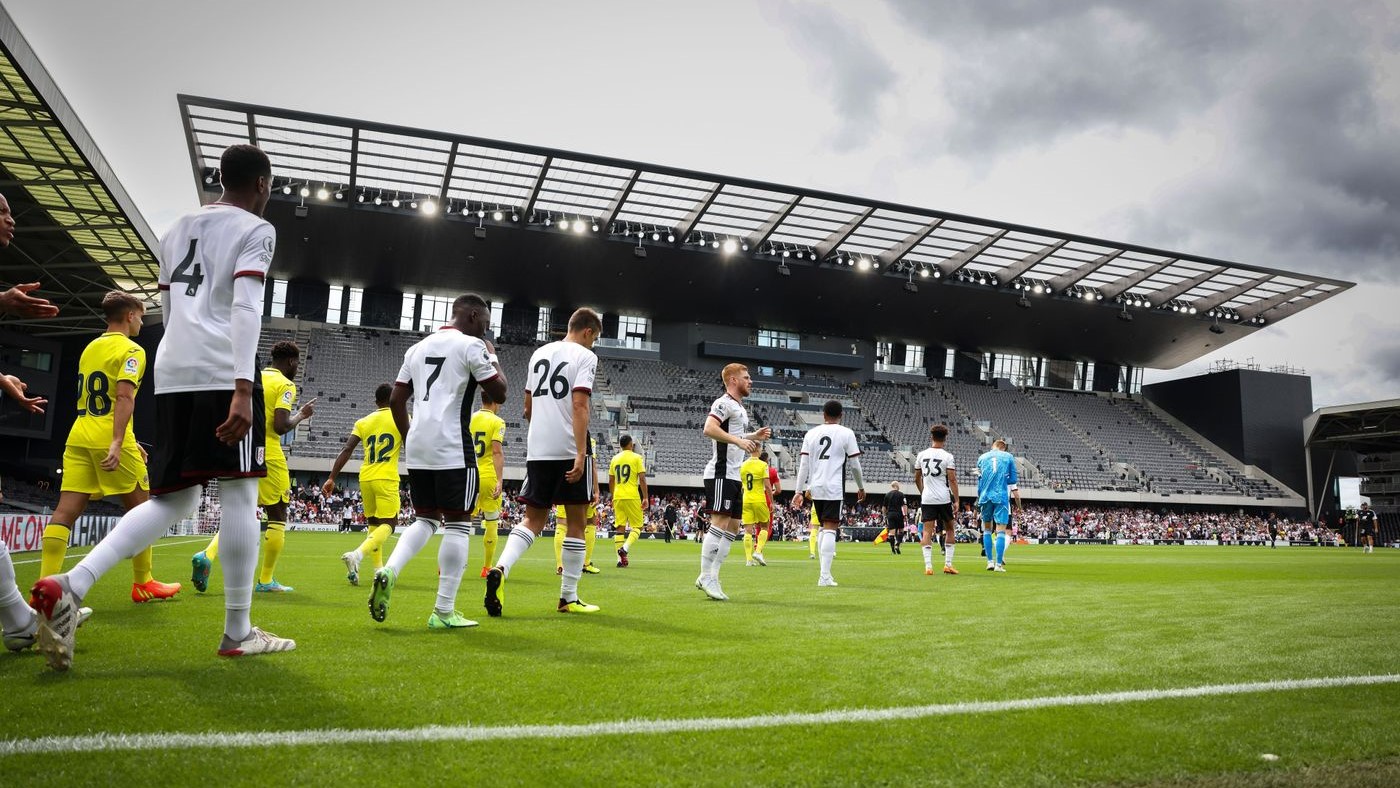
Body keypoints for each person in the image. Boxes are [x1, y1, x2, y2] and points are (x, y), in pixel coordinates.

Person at [30, 144, 293, 668]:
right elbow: (244, 304)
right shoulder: (256, 230)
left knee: (174, 500)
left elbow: (170, 304)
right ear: (261, 184)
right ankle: (237, 630)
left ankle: (72, 583)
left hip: (174, 368)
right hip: (223, 369)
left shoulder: (175, 229)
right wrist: (244, 386)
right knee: (242, 495)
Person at [368, 293, 506, 630]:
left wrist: (410, 435)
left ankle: (390, 569)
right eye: (485, 321)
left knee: (426, 519)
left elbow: (398, 399)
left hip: (418, 447)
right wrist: (493, 355)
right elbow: (499, 392)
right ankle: (443, 611)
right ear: (473, 315)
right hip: (453, 447)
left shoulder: (416, 349)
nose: (486, 328)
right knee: (458, 524)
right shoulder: (471, 346)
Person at [40, 290, 181, 603]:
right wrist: (119, 441)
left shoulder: (90, 347)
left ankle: (44, 586)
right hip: (108, 435)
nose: (142, 323)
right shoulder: (132, 350)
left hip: (79, 434)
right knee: (144, 508)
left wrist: (130, 440)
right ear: (130, 315)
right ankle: (143, 582)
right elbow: (123, 396)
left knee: (65, 510)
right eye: (141, 317)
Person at [486, 308, 602, 616]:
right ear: (588, 332)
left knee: (532, 520)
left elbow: (527, 408)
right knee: (577, 524)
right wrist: (580, 453)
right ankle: (568, 597)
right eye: (595, 339)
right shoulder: (585, 357)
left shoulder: (538, 354)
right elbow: (579, 404)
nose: (593, 345)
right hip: (568, 448)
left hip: (538, 449)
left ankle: (501, 568)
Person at [190, 341, 315, 593]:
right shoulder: (285, 384)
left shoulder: (252, 377)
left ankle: (207, 554)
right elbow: (280, 426)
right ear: (291, 362)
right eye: (297, 364)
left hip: (242, 450)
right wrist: (301, 415)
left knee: (241, 513)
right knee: (278, 515)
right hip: (269, 454)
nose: (296, 369)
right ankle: (266, 580)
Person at [696, 363, 771, 600]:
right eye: (746, 377)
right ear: (732, 380)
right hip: (720, 472)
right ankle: (706, 575)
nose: (750, 381)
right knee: (719, 523)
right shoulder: (723, 403)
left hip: (734, 475)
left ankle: (712, 576)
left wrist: (752, 436)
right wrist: (739, 442)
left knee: (733, 528)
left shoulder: (738, 407)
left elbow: (734, 435)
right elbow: (709, 428)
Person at [323, 383, 402, 586]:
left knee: (374, 525)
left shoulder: (363, 421)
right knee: (389, 525)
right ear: (393, 399)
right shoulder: (401, 418)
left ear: (375, 401)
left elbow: (347, 448)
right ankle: (356, 555)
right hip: (386, 478)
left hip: (366, 477)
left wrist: (332, 477)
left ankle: (378, 569)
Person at [792, 400, 865, 587]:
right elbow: (855, 465)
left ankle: (825, 574)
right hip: (834, 487)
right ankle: (824, 576)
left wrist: (799, 491)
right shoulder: (846, 433)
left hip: (815, 487)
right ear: (841, 415)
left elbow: (804, 465)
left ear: (823, 415)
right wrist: (860, 486)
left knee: (823, 528)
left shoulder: (811, 433)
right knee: (830, 528)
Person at [469, 390, 507, 577]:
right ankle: (486, 567)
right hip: (487, 475)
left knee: (459, 522)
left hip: (468, 475)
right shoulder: (497, 422)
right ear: (495, 402)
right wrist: (500, 480)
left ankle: (447, 565)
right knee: (491, 521)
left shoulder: (469, 418)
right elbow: (497, 452)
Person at [913, 424, 960, 576]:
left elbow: (917, 478)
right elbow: (952, 479)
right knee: (950, 529)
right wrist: (957, 500)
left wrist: (923, 491)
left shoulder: (921, 455)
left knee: (927, 531)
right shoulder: (948, 456)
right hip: (944, 498)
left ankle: (928, 567)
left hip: (927, 498)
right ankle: (948, 564)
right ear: (945, 438)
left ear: (931, 437)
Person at [553, 435, 601, 574]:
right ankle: (585, 563)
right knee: (591, 522)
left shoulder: (561, 435)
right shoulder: (588, 440)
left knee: (562, 523)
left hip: (564, 481)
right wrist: (596, 490)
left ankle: (560, 565)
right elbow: (592, 466)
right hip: (583, 484)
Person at [977, 438, 1020, 572]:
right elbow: (1013, 479)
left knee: (987, 530)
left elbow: (979, 480)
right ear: (1003, 447)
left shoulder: (982, 457)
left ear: (993, 446)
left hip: (984, 496)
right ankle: (998, 565)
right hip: (1000, 496)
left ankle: (989, 562)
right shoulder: (1008, 457)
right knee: (1001, 530)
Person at [610, 435, 648, 567]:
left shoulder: (615, 459)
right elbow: (642, 479)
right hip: (631, 495)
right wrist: (646, 497)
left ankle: (620, 560)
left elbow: (611, 480)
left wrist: (613, 496)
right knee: (637, 527)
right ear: (631, 445)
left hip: (618, 496)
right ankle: (624, 548)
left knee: (620, 528)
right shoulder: (637, 458)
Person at [739, 446, 773, 567]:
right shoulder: (763, 465)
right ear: (758, 450)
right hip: (759, 499)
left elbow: (741, 485)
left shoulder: (742, 465)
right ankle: (758, 551)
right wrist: (772, 502)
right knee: (765, 526)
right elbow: (768, 486)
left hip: (746, 499)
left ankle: (749, 559)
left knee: (748, 529)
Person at [875, 481, 907, 556]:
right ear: (896, 485)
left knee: (891, 533)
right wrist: (905, 515)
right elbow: (904, 505)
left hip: (890, 514)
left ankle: (892, 549)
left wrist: (885, 515)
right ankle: (897, 545)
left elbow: (884, 507)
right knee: (901, 530)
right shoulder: (901, 494)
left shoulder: (887, 495)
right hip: (899, 514)